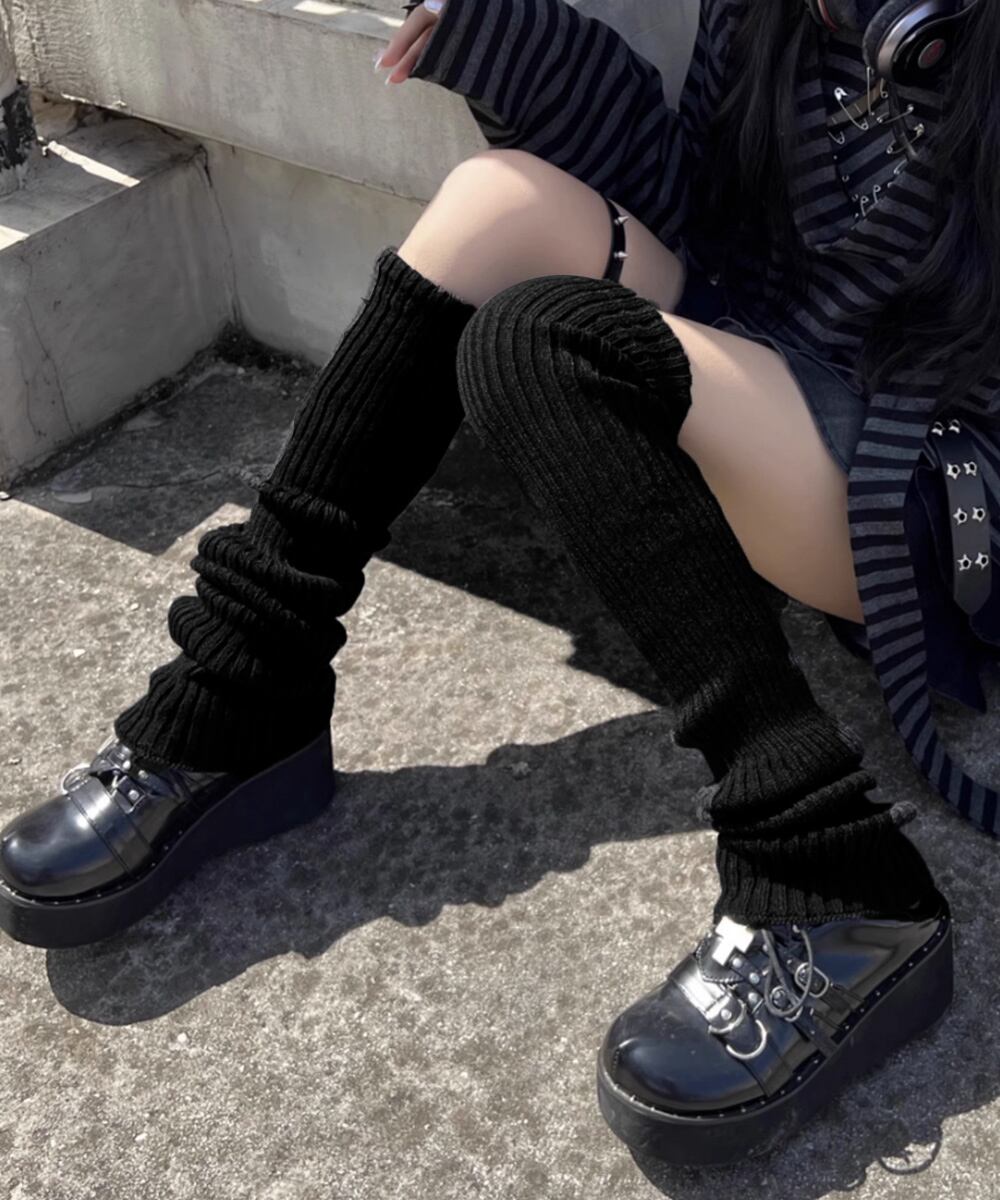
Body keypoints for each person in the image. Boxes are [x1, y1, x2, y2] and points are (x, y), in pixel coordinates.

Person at [0, 0, 995, 1167]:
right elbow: (693, 209)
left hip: (929, 487)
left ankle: (835, 882)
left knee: (540, 345)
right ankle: (244, 688)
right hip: (776, 392)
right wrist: (522, 44)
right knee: (499, 200)